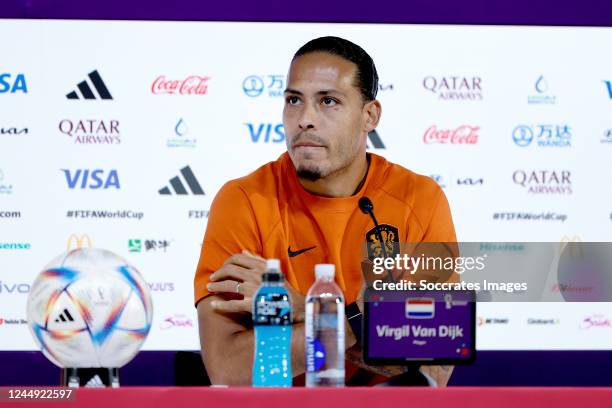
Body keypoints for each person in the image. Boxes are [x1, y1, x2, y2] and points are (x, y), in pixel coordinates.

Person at [194, 36, 457, 386]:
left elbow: (431, 368)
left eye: (328, 101)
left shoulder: (420, 199)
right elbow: (229, 368)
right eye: (293, 100)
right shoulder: (242, 201)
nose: (305, 119)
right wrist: (360, 320)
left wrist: (306, 309)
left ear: (369, 116)